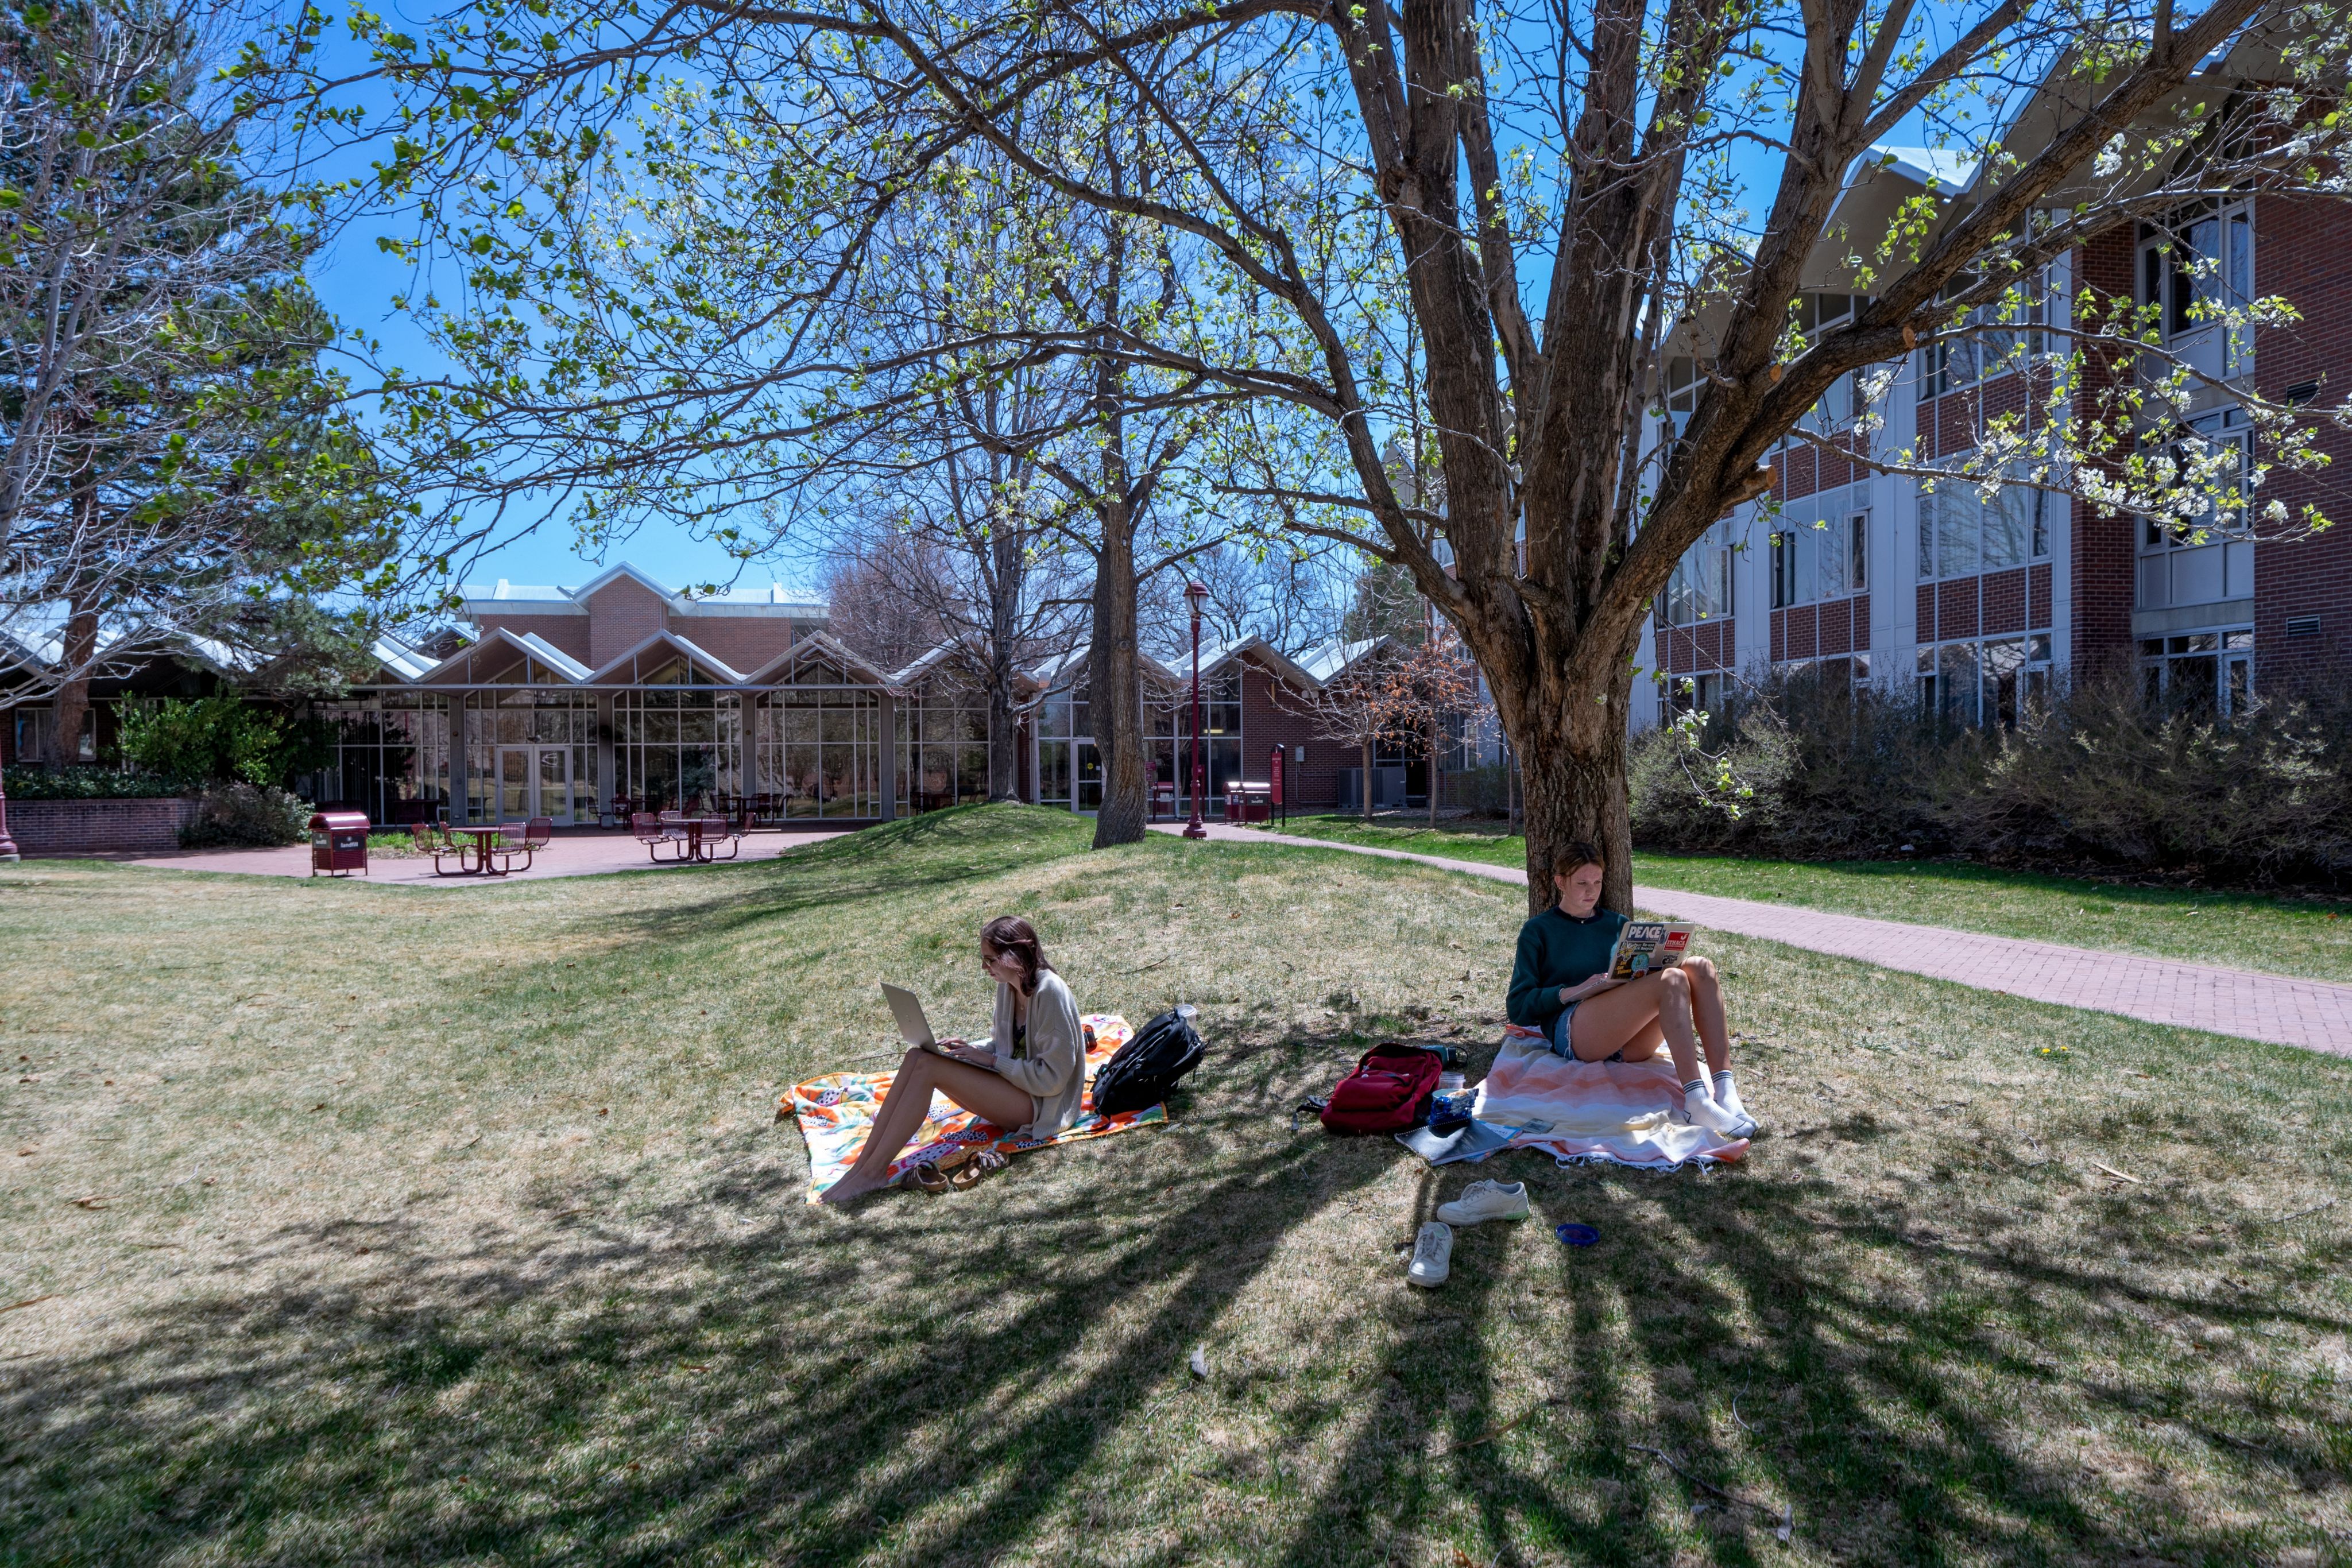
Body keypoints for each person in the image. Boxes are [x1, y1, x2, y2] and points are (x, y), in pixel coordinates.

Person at [820, 915, 1086, 1205]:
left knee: (930, 1068)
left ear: (1016, 956)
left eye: (991, 960)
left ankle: (873, 1172)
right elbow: (1006, 1045)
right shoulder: (1008, 985)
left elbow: (1052, 1079)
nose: (985, 968)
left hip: (1041, 1106)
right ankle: (862, 1167)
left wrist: (991, 1061)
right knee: (917, 1056)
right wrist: (969, 1050)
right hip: (1016, 1089)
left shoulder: (1050, 992)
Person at [1505, 842, 1759, 1140]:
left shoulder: (1618, 924)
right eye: (1582, 883)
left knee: (1700, 967)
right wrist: (1574, 991)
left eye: (1598, 882)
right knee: (1671, 979)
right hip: (1576, 1030)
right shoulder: (1539, 930)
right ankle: (1696, 1100)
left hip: (1630, 1041)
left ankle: (1726, 1089)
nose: (1591, 891)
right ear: (1561, 882)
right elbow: (1518, 1006)